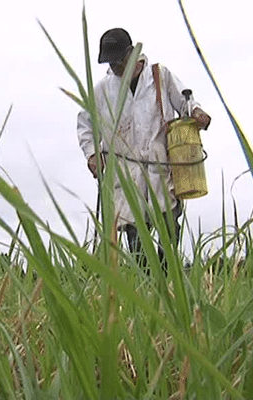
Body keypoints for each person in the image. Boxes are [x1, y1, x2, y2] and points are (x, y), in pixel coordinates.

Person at [77, 28, 211, 273]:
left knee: (169, 232)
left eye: (119, 61)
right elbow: (86, 124)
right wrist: (92, 154)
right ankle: (150, 285)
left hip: (162, 169)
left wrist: (197, 113)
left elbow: (185, 102)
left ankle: (170, 279)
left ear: (132, 54)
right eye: (111, 63)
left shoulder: (160, 77)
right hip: (125, 175)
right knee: (137, 242)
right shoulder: (102, 91)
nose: (115, 68)